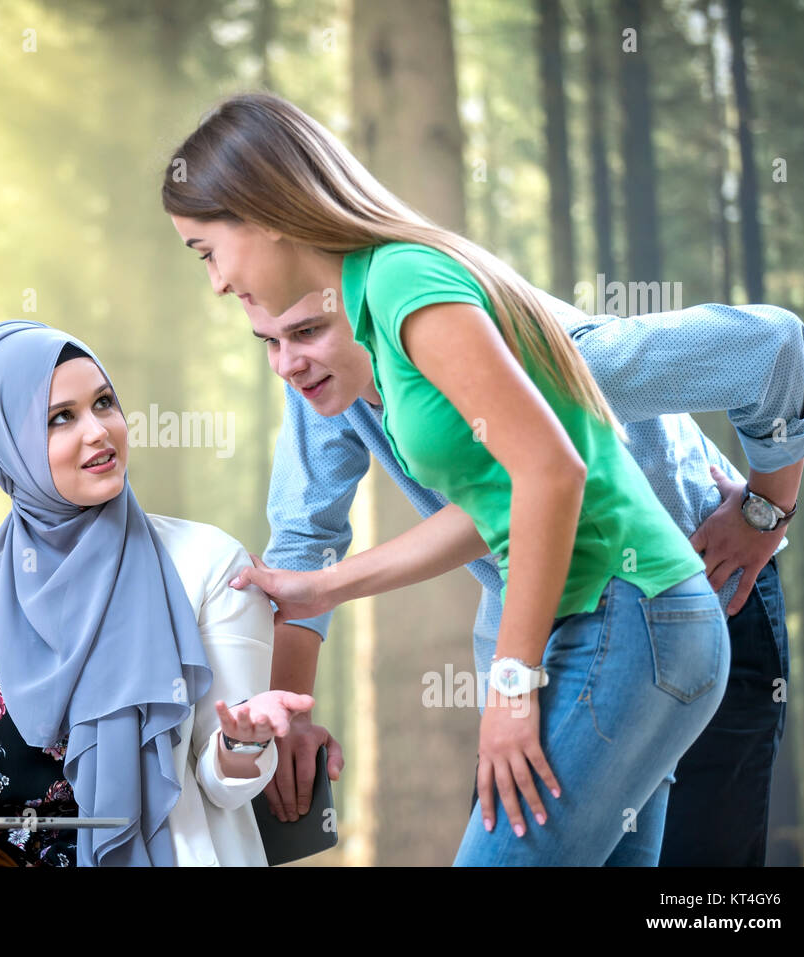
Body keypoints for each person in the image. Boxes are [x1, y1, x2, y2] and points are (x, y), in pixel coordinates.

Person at [163, 91, 739, 865]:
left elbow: (550, 470)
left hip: (625, 617)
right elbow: (490, 503)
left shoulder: (404, 280)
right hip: (631, 625)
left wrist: (508, 683)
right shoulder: (367, 315)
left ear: (262, 210)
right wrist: (328, 587)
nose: (214, 282)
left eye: (206, 250)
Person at [246, 289, 804, 867]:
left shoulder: (531, 355)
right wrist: (290, 715)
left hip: (710, 593)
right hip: (546, 631)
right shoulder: (325, 376)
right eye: (270, 340)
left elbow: (771, 347)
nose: (288, 363)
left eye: (305, 332)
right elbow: (305, 536)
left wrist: (766, 509)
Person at [0, 319, 312, 867]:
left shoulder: (209, 565)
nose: (99, 431)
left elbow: (225, 788)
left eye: (105, 403)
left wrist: (244, 743)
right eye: (60, 418)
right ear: (8, 446)